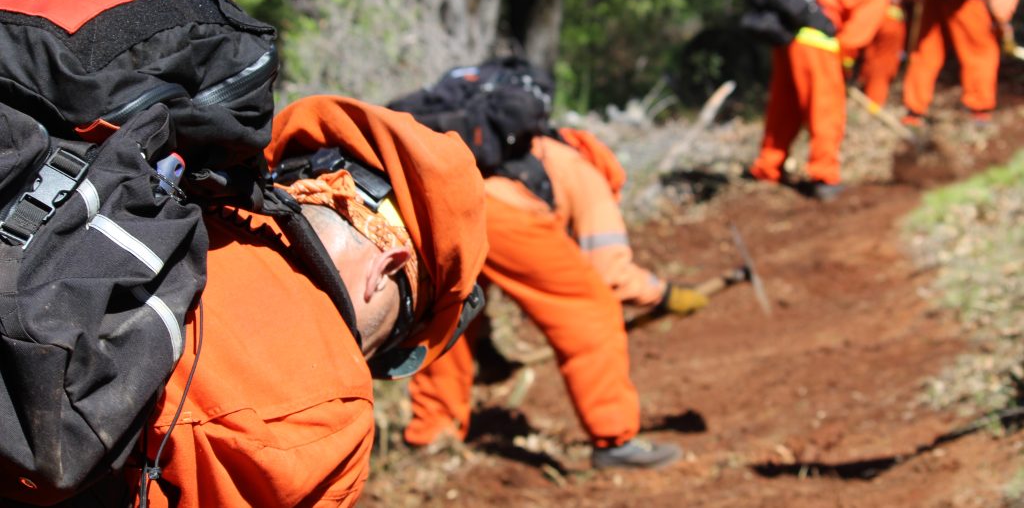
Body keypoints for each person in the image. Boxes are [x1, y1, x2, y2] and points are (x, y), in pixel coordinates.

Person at [131, 95, 488, 508]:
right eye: (393, 333)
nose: (366, 359)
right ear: (387, 268)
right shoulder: (333, 413)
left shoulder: (172, 220)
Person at [402, 123, 705, 470]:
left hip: (453, 201)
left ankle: (433, 434)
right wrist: (666, 295)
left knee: (450, 310)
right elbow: (612, 274)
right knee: (591, 309)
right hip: (505, 214)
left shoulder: (533, 148)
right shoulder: (587, 174)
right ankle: (614, 439)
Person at [747, 0, 889, 200]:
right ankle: (824, 176)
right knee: (827, 112)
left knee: (784, 108)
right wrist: (843, 68)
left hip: (789, 39)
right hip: (818, 46)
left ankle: (767, 167)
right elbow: (852, 40)